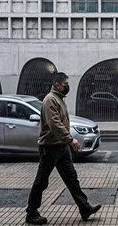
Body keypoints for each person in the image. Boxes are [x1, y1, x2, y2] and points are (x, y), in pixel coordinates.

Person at [26, 72, 100, 225]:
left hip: (60, 147)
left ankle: (85, 208)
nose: (67, 87)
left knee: (72, 179)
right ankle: (31, 212)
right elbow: (55, 124)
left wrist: (66, 141)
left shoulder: (58, 99)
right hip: (50, 148)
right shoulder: (50, 100)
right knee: (41, 181)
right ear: (57, 85)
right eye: (65, 84)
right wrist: (70, 139)